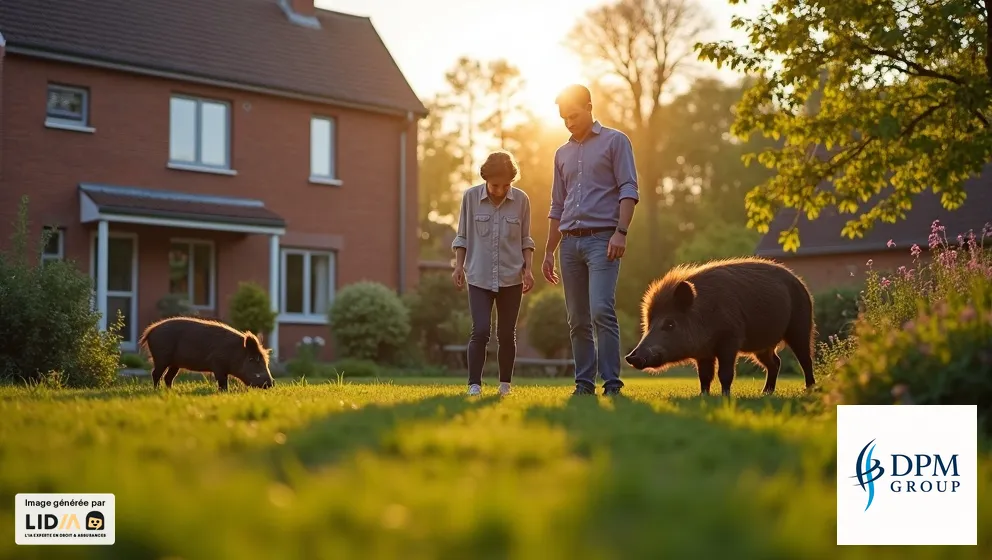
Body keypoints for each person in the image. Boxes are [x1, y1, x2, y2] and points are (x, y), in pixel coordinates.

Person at [542, 84, 638, 396]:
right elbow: (557, 205)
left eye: (573, 115)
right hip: (569, 244)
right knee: (577, 319)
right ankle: (584, 384)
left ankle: (612, 383)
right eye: (563, 118)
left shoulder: (615, 141)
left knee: (601, 310)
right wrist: (548, 252)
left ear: (590, 106)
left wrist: (620, 232)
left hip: (603, 241)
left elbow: (628, 189)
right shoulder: (561, 154)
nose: (569, 122)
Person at [452, 150, 536, 396]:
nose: (500, 190)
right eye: (495, 185)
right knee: (480, 330)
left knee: (506, 333)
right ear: (486, 179)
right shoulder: (470, 198)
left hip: (512, 277)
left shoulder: (522, 200)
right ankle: (474, 384)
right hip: (478, 275)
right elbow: (462, 236)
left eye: (506, 185)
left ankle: (505, 385)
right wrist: (459, 266)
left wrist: (528, 270)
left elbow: (526, 240)